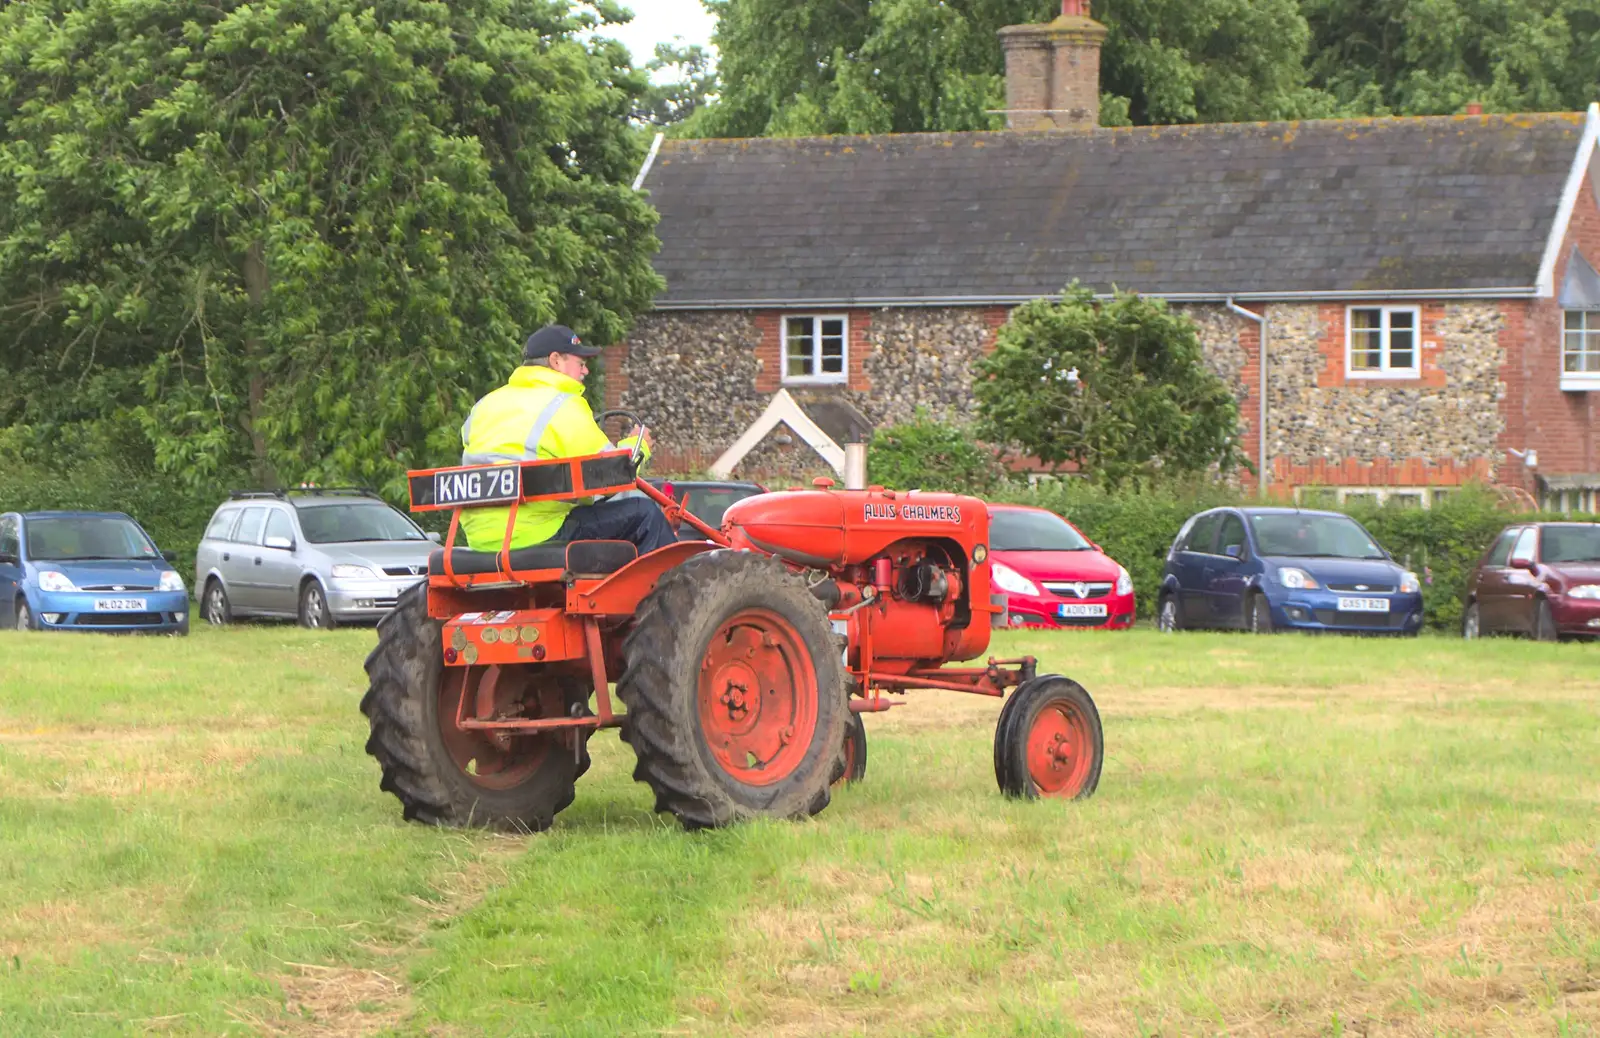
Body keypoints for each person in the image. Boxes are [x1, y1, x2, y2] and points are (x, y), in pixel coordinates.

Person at [458, 324, 676, 555]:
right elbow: (614, 475)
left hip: (480, 540)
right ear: (556, 360)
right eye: (580, 364)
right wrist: (638, 446)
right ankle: (670, 590)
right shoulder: (561, 405)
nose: (586, 372)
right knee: (645, 514)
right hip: (537, 533)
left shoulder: (484, 405)